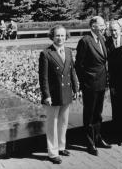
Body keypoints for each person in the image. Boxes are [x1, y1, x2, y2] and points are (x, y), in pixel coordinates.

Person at [39, 25, 79, 164]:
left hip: (67, 92)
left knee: (63, 122)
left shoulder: (68, 51)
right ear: (52, 36)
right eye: (57, 35)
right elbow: (43, 77)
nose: (60, 38)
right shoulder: (46, 53)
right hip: (53, 94)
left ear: (66, 36)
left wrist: (76, 88)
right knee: (52, 124)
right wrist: (46, 95)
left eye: (62, 35)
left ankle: (61, 147)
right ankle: (52, 152)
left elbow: (72, 71)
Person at [75, 16, 111, 156]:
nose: (104, 27)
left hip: (101, 82)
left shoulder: (101, 38)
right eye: (101, 25)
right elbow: (79, 65)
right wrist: (84, 83)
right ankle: (90, 143)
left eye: (103, 24)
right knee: (89, 115)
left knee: (98, 114)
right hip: (90, 84)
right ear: (93, 25)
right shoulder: (85, 41)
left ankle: (98, 138)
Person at [105, 20, 122, 134]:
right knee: (115, 106)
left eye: (116, 30)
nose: (114, 32)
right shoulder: (106, 42)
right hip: (113, 80)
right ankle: (117, 131)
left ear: (120, 30)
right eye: (111, 30)